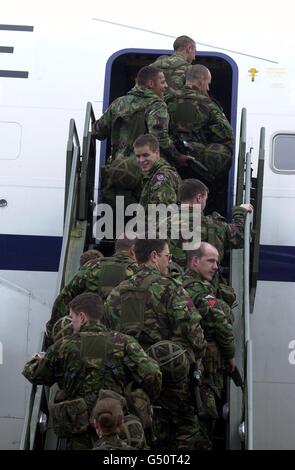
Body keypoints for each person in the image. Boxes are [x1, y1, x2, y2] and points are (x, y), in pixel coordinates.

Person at [23, 292, 162, 449]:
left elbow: (36, 375)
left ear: (81, 317)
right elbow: (152, 373)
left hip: (79, 429)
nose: (72, 323)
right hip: (115, 426)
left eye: (72, 318)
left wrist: (35, 360)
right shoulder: (124, 342)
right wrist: (144, 398)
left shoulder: (64, 345)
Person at [104, 238, 206, 449]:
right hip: (170, 376)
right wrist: (198, 354)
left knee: (137, 431)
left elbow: (110, 333)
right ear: (153, 256)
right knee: (186, 428)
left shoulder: (118, 291)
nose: (169, 262)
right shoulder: (170, 288)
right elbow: (191, 328)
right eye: (167, 257)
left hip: (133, 377)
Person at [179, 242, 236, 444]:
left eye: (217, 262)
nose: (216, 267)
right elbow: (220, 322)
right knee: (203, 428)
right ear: (195, 261)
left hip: (181, 367)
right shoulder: (202, 291)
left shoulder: (175, 284)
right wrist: (230, 355)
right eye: (210, 261)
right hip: (203, 372)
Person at [92, 65, 190, 168]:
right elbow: (159, 137)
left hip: (119, 169)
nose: (166, 86)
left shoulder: (118, 103)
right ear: (151, 84)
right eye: (162, 82)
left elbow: (97, 132)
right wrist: (178, 156)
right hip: (144, 168)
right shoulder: (157, 105)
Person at [46, 235, 138, 342]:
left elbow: (64, 298)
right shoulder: (138, 272)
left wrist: (53, 329)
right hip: (121, 342)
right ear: (133, 250)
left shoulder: (92, 266)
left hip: (88, 339)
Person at [167, 64, 234, 180]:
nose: (208, 88)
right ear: (201, 81)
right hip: (196, 162)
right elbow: (227, 135)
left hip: (168, 156)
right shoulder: (208, 104)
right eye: (208, 83)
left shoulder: (167, 99)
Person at [166, 178, 253, 268]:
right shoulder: (212, 225)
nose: (205, 203)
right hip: (200, 281)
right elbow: (239, 237)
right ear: (199, 198)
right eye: (205, 199)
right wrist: (240, 211)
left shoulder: (162, 223)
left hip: (170, 280)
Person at [134, 134, 181, 213]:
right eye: (138, 156)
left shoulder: (162, 178)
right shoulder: (153, 173)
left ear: (157, 153)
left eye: (146, 155)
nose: (141, 160)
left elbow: (162, 217)